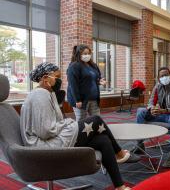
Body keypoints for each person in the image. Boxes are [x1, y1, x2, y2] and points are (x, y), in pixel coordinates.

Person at [20, 62, 134, 190]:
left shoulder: (48, 93)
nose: (59, 80)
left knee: (103, 140)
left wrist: (65, 123)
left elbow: (54, 123)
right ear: (45, 78)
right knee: (96, 120)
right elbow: (45, 131)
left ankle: (120, 186)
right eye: (57, 77)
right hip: (44, 145)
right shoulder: (40, 94)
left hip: (51, 139)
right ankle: (119, 153)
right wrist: (67, 123)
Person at [136, 67, 170, 168]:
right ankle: (140, 144)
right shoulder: (158, 86)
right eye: (162, 76)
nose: (164, 77)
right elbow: (150, 102)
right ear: (158, 78)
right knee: (140, 111)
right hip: (160, 114)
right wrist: (152, 109)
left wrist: (165, 110)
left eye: (166, 75)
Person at [67, 44, 106, 122]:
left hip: (94, 98)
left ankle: (96, 134)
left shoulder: (93, 65)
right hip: (81, 100)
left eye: (88, 53)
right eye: (85, 53)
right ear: (79, 54)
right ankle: (79, 134)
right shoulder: (74, 66)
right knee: (82, 121)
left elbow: (94, 79)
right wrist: (77, 100)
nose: (87, 55)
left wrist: (99, 82)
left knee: (97, 120)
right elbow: (73, 85)